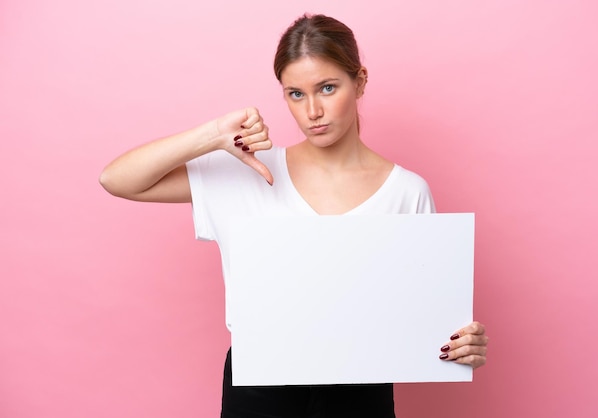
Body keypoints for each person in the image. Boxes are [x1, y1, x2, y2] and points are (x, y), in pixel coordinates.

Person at [100, 13, 488, 418]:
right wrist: (213, 135)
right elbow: (118, 179)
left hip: (361, 394)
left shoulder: (408, 192)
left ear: (361, 82)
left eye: (327, 87)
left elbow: (421, 320)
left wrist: (463, 346)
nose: (313, 110)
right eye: (295, 94)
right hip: (260, 390)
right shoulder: (247, 173)